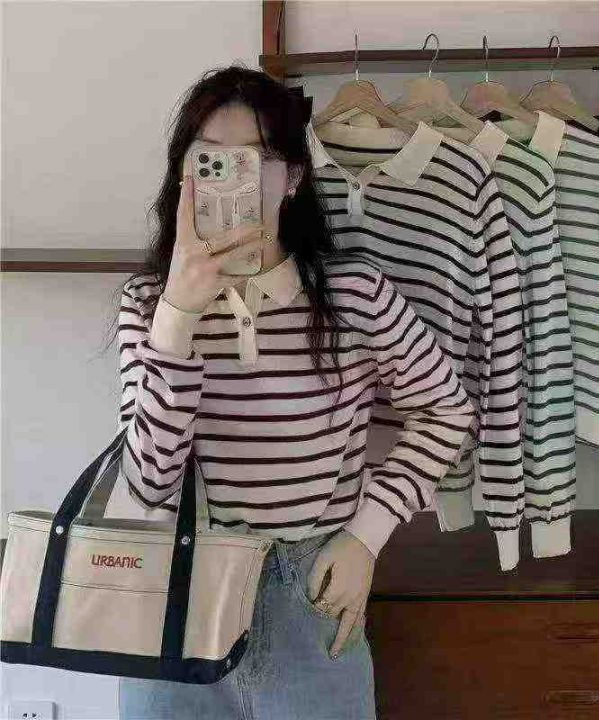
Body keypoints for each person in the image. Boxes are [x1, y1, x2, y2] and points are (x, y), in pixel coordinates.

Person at [112, 65, 477, 720]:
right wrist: (178, 316)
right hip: (174, 596)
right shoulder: (147, 305)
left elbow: (446, 410)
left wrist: (366, 537)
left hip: (309, 591)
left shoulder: (354, 296)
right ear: (183, 176)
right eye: (208, 160)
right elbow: (148, 482)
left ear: (295, 178)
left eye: (254, 161)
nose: (231, 179)